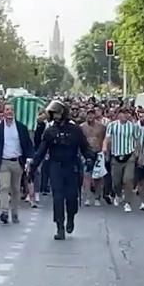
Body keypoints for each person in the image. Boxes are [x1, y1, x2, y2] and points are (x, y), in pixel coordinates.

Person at [29, 100, 96, 241]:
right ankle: (60, 226)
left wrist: (91, 158)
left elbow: (84, 147)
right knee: (58, 198)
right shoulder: (50, 131)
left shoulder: (75, 130)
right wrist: (33, 167)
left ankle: (70, 218)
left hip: (72, 167)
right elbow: (41, 150)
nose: (55, 116)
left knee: (72, 198)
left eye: (58, 113)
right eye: (53, 113)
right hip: (55, 167)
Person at [0, 103, 34, 225]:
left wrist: (29, 159)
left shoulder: (21, 127)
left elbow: (27, 144)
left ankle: (14, 212)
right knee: (4, 187)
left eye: (11, 110)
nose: (9, 112)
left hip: (17, 162)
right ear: (3, 112)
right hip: (3, 162)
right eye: (7, 110)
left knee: (16, 189)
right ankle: (4, 211)